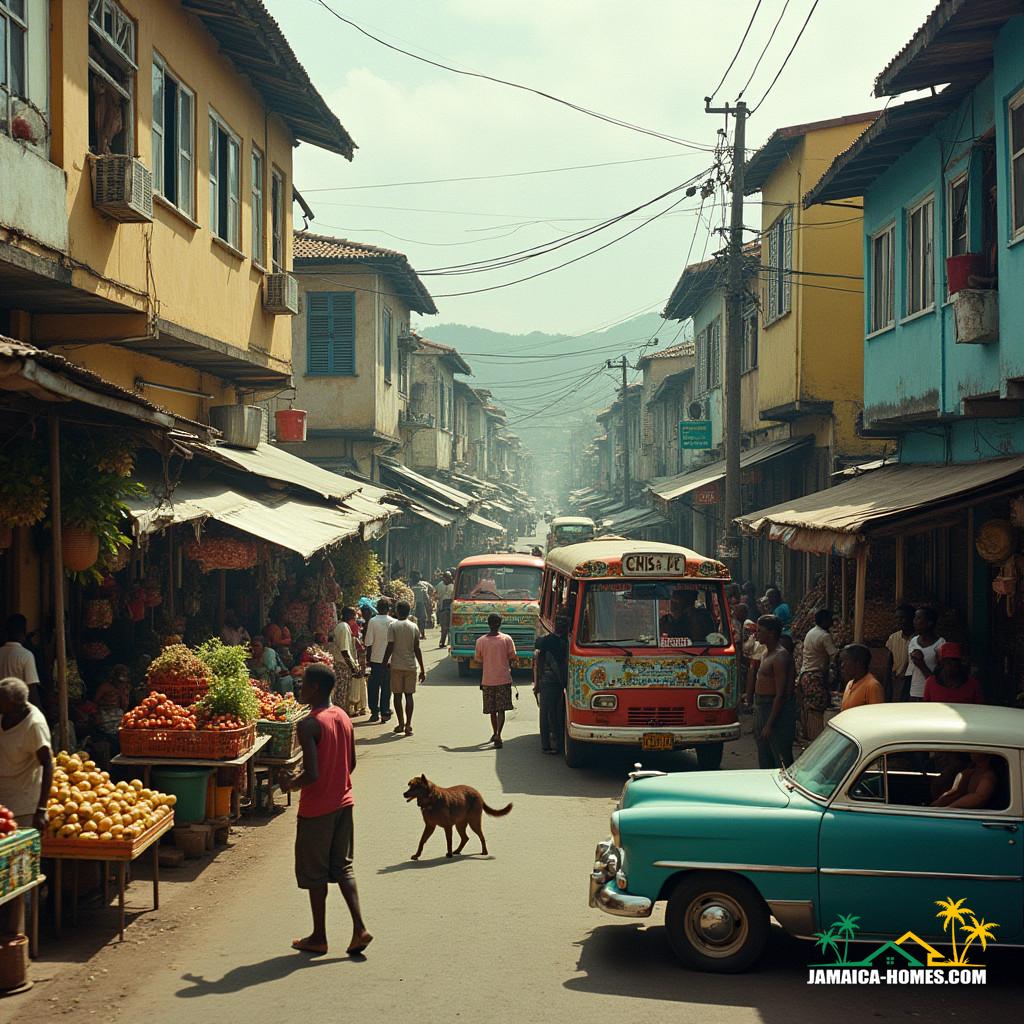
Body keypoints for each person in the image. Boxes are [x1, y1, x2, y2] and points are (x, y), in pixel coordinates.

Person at [281, 664, 372, 957]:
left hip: (317, 809)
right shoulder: (343, 716)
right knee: (343, 867)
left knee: (315, 874)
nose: (300, 688)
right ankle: (359, 928)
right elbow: (352, 764)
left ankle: (319, 936)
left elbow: (312, 774)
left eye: (304, 684)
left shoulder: (309, 724)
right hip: (344, 803)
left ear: (316, 688)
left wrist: (291, 784)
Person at [0, 677, 53, 830]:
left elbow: (48, 765)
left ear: (14, 707)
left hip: (23, 805)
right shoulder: (5, 714)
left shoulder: (34, 725)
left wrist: (42, 809)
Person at [744, 615, 796, 770]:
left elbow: (781, 694)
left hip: (773, 708)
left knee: (780, 755)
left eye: (760, 631)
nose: (756, 634)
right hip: (762, 706)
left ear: (771, 633)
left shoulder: (780, 656)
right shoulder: (766, 653)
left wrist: (769, 723)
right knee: (764, 752)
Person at [382, 601, 425, 737]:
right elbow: (417, 648)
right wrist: (422, 669)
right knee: (409, 695)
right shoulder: (413, 626)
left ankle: (400, 723)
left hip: (396, 665)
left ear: (397, 611)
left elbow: (390, 646)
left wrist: (384, 662)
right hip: (410, 665)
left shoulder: (393, 626)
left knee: (397, 696)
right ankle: (408, 725)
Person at [475, 614, 517, 749]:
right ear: (500, 624)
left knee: (492, 710)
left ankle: (495, 732)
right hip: (503, 679)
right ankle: (499, 733)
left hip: (487, 680)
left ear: (488, 623)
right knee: (501, 709)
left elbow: (478, 660)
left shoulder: (481, 641)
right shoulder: (507, 639)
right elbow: (513, 657)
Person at [797, 609, 838, 742]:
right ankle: (816, 740)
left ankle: (809, 736)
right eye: (830, 620)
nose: (832, 622)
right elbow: (834, 655)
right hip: (814, 676)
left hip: (805, 675)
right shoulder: (824, 636)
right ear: (824, 621)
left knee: (810, 708)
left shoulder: (811, 632)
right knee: (818, 709)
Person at [534, 611, 569, 754]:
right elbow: (541, 661)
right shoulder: (566, 641)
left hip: (549, 681)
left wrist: (539, 681)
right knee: (555, 714)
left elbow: (539, 661)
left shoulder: (546, 640)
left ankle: (548, 744)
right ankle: (553, 745)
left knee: (548, 713)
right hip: (556, 681)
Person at [362, 599, 394, 724]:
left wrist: (368, 658)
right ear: (388, 608)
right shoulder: (393, 622)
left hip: (375, 659)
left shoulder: (372, 621)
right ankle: (385, 711)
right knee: (386, 687)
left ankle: (374, 712)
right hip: (389, 661)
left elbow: (368, 642)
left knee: (373, 686)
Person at [931, 752, 1000, 810]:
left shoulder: (988, 776)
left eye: (976, 750)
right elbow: (957, 792)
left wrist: (950, 808)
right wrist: (937, 805)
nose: (972, 752)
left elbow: (979, 797)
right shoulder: (971, 772)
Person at [0, 615, 41, 707]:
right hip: (16, 709)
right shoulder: (26, 655)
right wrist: (40, 712)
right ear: (24, 632)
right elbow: (32, 689)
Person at [328, 608, 362, 715]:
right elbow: (344, 650)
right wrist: (353, 668)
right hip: (342, 665)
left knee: (344, 692)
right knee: (341, 694)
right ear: (351, 617)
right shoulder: (343, 627)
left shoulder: (343, 627)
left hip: (344, 664)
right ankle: (339, 716)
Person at [907, 607, 945, 702]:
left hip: (932, 691)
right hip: (915, 691)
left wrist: (921, 664)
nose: (914, 621)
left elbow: (942, 673)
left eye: (918, 618)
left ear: (930, 623)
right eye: (915, 618)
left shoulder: (941, 644)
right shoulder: (913, 641)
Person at [884, 604, 916, 702]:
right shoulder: (893, 638)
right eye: (897, 618)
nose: (899, 621)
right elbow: (889, 662)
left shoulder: (918, 639)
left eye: (903, 618)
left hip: (912, 681)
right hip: (896, 679)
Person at [839, 644, 885, 710]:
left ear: (858, 663)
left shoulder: (872, 686)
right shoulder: (850, 683)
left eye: (846, 661)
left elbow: (876, 716)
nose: (842, 665)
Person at [409, 571, 435, 639]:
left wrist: (429, 600)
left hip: (420, 604)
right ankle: (415, 634)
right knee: (413, 619)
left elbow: (431, 590)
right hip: (413, 604)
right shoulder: (409, 585)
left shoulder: (424, 584)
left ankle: (422, 634)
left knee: (422, 619)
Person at [435, 571, 455, 649]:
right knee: (444, 627)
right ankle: (442, 642)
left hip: (452, 608)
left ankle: (450, 642)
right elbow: (436, 595)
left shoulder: (454, 585)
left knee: (451, 626)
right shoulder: (439, 585)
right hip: (443, 608)